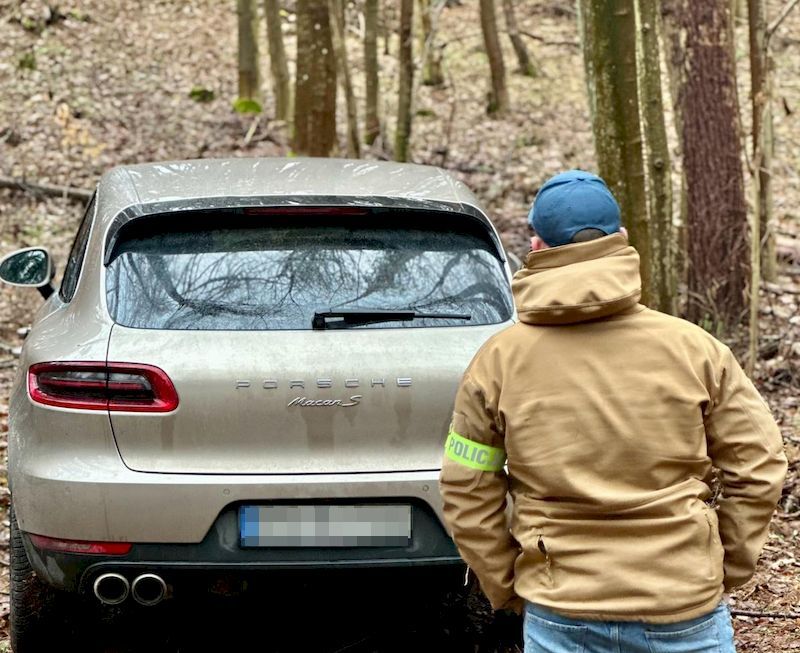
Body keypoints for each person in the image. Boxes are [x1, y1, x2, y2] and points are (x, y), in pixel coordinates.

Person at [439, 170, 788, 652]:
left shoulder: (497, 363)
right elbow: (760, 464)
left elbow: (466, 485)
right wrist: (723, 564)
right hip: (683, 603)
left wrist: (507, 583)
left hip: (562, 609)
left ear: (536, 247)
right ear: (621, 240)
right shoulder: (695, 349)